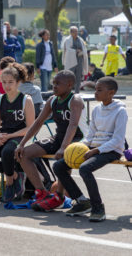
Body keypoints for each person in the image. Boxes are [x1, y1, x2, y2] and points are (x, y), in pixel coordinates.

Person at [52, 77, 126, 222]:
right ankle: (81, 201)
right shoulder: (96, 109)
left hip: (112, 150)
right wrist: (78, 146)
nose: (95, 93)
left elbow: (117, 140)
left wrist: (96, 151)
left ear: (111, 93)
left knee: (85, 169)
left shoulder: (120, 111)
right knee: (59, 166)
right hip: (93, 148)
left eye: (99, 90)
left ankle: (98, 207)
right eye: (95, 89)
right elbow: (90, 135)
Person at [15, 70, 88, 211]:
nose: (53, 86)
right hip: (59, 138)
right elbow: (37, 123)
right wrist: (22, 143)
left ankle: (58, 197)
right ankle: (42, 193)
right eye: (53, 83)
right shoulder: (52, 100)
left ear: (69, 84)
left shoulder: (75, 100)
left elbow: (73, 125)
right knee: (23, 154)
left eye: (57, 84)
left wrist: (63, 147)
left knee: (64, 159)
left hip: (78, 139)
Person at [0, 63, 34, 202]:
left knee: (7, 152)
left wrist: (9, 136)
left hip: (19, 135)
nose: (7, 85)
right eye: (4, 82)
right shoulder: (0, 101)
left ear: (18, 82)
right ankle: (16, 176)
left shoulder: (26, 100)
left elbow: (30, 128)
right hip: (4, 135)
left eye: (10, 82)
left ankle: (9, 183)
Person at [62, 26, 88, 93]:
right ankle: (68, 92)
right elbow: (68, 49)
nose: (76, 33)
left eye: (77, 31)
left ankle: (77, 92)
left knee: (78, 77)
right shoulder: (67, 40)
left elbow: (84, 48)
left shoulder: (80, 39)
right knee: (69, 77)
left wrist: (81, 52)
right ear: (71, 32)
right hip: (71, 61)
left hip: (79, 61)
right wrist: (76, 51)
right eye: (74, 31)